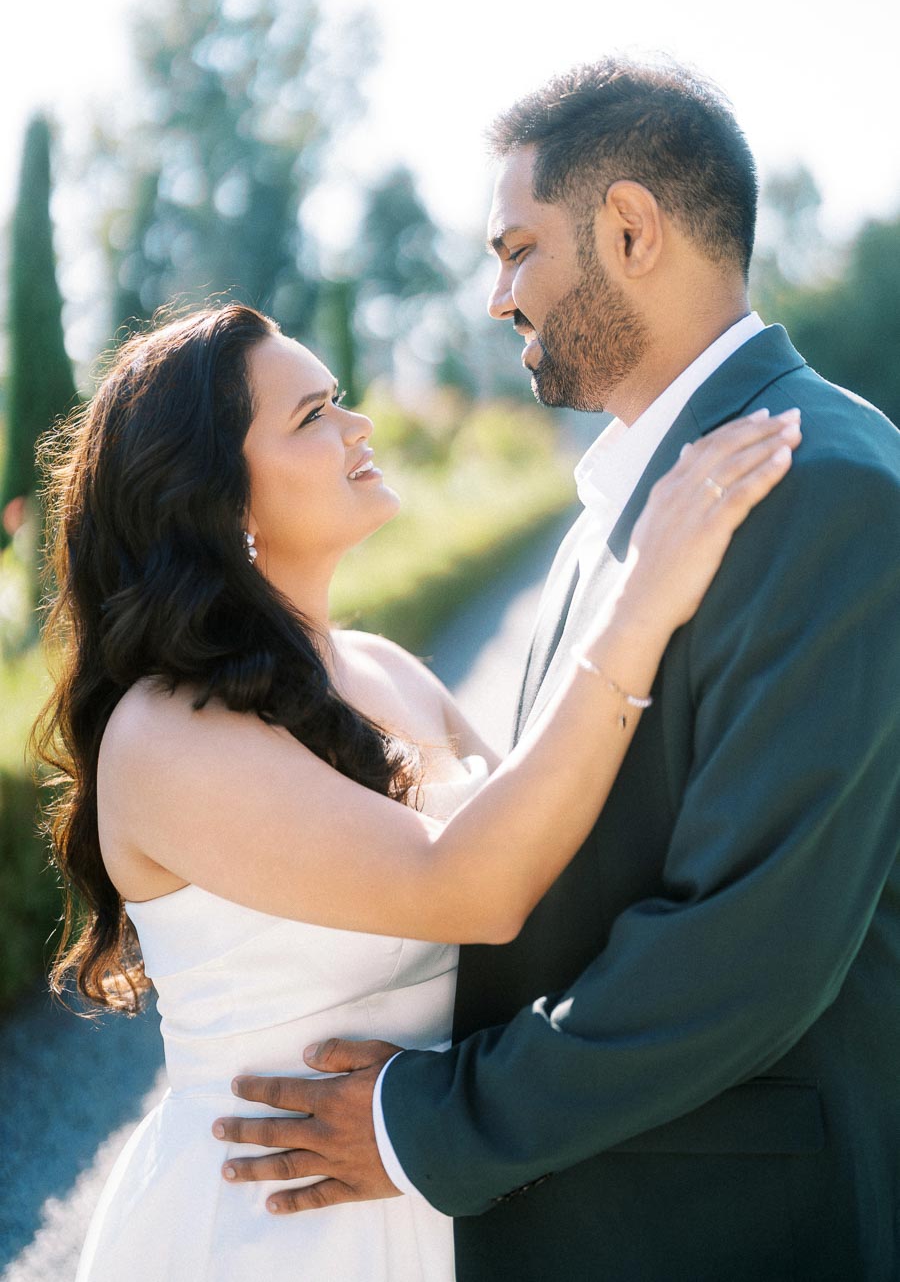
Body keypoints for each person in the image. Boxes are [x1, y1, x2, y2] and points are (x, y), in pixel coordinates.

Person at [218, 59, 900, 1281]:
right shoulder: (629, 497)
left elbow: (751, 949)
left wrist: (430, 1122)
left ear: (631, 229)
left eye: (517, 248)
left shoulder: (828, 492)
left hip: (724, 1226)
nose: (495, 297)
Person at [39, 301, 797, 1282]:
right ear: (216, 499)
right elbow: (471, 886)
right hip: (273, 1223)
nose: (359, 427)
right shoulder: (164, 733)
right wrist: (644, 596)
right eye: (312, 416)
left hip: (438, 1190)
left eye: (341, 402)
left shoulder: (387, 669)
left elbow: (563, 854)